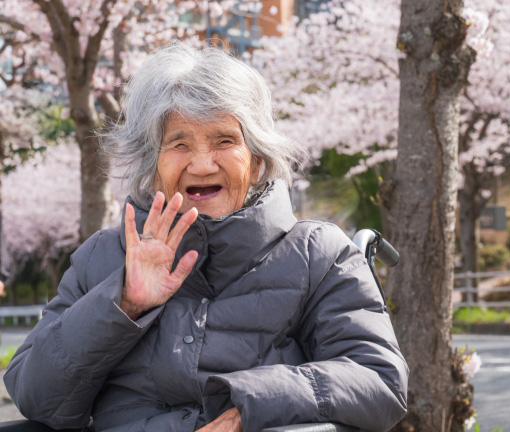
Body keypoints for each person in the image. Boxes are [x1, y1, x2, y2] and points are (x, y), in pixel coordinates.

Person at [4, 42, 408, 432]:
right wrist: (124, 302)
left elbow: (377, 380)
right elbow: (35, 397)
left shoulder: (317, 255)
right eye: (179, 143)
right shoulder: (103, 257)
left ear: (257, 158)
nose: (201, 164)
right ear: (152, 161)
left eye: (225, 141)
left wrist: (247, 410)